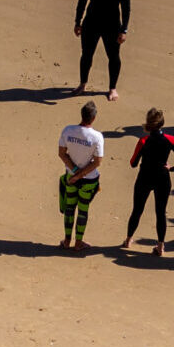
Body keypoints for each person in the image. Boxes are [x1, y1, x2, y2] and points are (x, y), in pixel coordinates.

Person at [123, 107, 174, 254]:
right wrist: (171, 168)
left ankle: (128, 240)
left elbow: (133, 163)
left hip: (145, 178)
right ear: (162, 124)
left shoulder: (143, 141)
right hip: (162, 178)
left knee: (137, 210)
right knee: (161, 213)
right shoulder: (171, 140)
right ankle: (160, 246)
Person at [72, 0, 131, 100]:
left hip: (111, 27)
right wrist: (77, 22)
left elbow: (126, 9)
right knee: (86, 55)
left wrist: (123, 30)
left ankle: (112, 88)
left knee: (113, 56)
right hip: (91, 24)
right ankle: (82, 84)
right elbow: (82, 1)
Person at [57, 102, 106, 251]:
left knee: (70, 208)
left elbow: (62, 154)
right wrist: (81, 175)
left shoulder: (68, 131)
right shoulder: (97, 137)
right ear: (94, 117)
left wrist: (75, 172)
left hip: (70, 177)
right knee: (83, 210)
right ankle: (78, 243)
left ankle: (66, 241)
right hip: (88, 181)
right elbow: (97, 162)